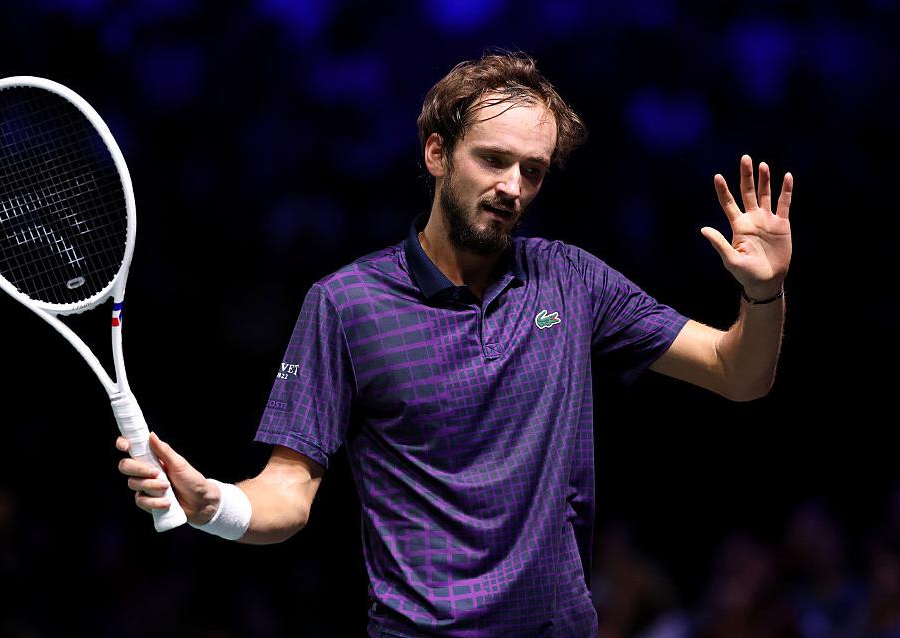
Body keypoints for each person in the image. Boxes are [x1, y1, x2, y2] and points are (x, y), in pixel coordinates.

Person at [116, 50, 792, 636]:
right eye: (493, 159)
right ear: (437, 153)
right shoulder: (347, 305)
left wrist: (764, 295)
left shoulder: (571, 279)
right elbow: (289, 492)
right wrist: (216, 505)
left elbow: (738, 373)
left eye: (533, 170)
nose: (513, 187)